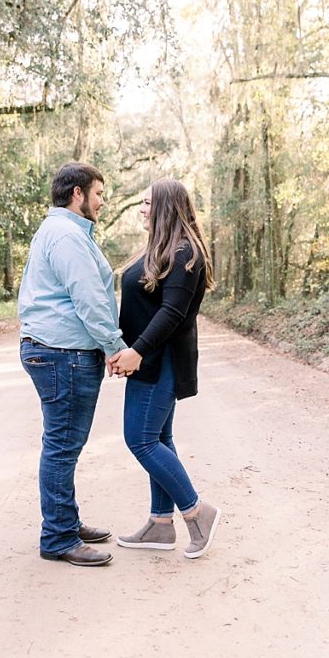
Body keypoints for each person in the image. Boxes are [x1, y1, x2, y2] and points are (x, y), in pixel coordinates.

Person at [18, 161, 127, 567]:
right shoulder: (66, 235)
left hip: (59, 350)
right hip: (63, 353)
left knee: (65, 444)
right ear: (77, 193)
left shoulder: (62, 232)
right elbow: (89, 299)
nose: (102, 201)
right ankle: (58, 537)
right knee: (62, 446)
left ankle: (65, 520)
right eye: (98, 193)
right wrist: (114, 346)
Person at [107, 178, 222, 559]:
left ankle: (197, 513)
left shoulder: (186, 252)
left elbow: (172, 313)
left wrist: (137, 352)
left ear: (166, 207)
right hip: (148, 360)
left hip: (161, 362)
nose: (141, 208)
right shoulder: (162, 248)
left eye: (146, 202)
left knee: (140, 439)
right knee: (158, 439)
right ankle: (160, 524)